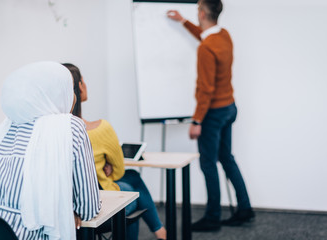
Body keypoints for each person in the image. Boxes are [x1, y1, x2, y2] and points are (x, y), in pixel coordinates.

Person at [0, 61, 101, 239]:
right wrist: (65, 209)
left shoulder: (4, 128)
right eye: (69, 89)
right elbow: (88, 209)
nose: (73, 96)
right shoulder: (70, 128)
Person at [167, 0, 254, 232]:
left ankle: (213, 218)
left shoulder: (207, 48)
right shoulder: (223, 36)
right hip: (229, 107)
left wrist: (197, 121)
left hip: (213, 113)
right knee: (226, 158)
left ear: (203, 13)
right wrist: (184, 22)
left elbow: (206, 89)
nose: (196, 12)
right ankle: (245, 209)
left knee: (208, 163)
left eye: (197, 10)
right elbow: (205, 37)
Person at [63, 63, 167, 240]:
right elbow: (119, 171)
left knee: (133, 178)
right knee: (132, 192)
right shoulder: (101, 129)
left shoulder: (49, 132)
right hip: (95, 202)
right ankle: (161, 232)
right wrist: (107, 167)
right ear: (80, 86)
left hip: (66, 206)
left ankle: (161, 232)